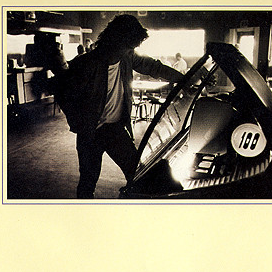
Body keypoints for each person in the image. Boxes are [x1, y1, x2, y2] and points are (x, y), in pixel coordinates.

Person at [59, 14, 184, 199]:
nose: (131, 51)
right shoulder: (87, 63)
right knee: (88, 181)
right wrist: (79, 124)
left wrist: (185, 79)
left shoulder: (127, 56)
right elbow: (63, 93)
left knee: (137, 174)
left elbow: (154, 67)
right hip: (91, 133)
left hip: (115, 130)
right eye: (129, 46)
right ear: (116, 40)